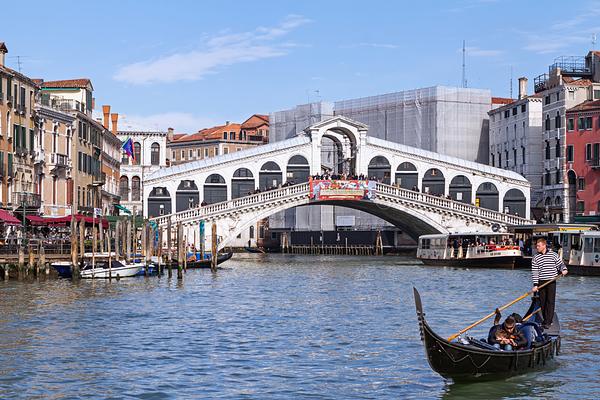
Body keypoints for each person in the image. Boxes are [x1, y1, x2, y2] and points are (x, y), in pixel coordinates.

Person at [531, 238, 568, 330]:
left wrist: (564, 270)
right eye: (537, 246)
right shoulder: (535, 257)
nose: (537, 247)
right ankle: (545, 320)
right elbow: (535, 272)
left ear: (544, 245)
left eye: (539, 246)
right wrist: (535, 285)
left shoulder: (553, 255)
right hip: (541, 282)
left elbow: (560, 264)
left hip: (551, 281)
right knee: (543, 302)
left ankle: (548, 321)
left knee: (550, 302)